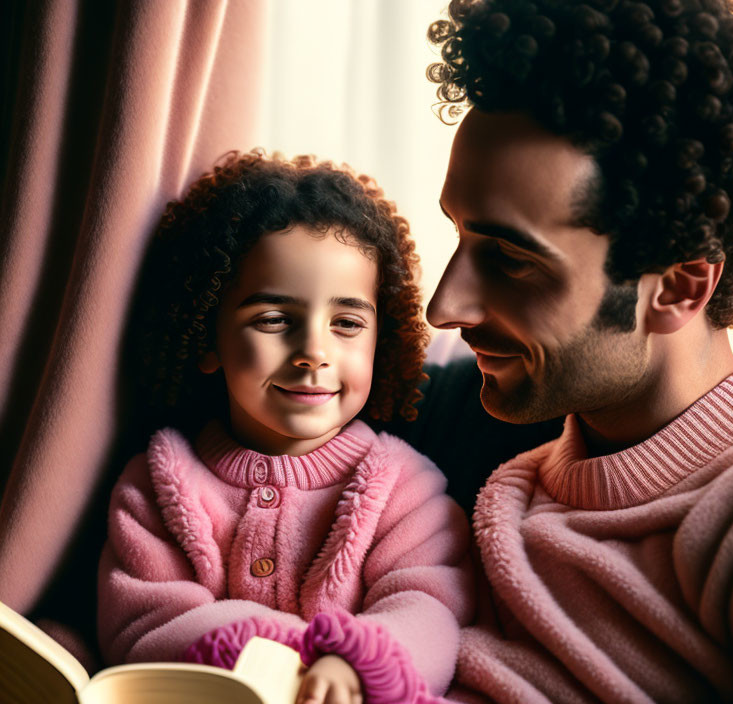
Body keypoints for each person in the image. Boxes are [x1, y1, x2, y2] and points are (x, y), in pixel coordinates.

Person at [391, 0, 733, 701]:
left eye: (510, 260)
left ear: (679, 288)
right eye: (459, 237)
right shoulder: (512, 483)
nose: (446, 307)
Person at [97, 151, 472, 704]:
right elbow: (141, 625)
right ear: (208, 340)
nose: (314, 353)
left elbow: (432, 610)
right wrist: (274, 653)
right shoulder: (158, 481)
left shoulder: (406, 487)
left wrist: (354, 662)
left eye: (346, 323)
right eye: (274, 320)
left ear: (380, 342)